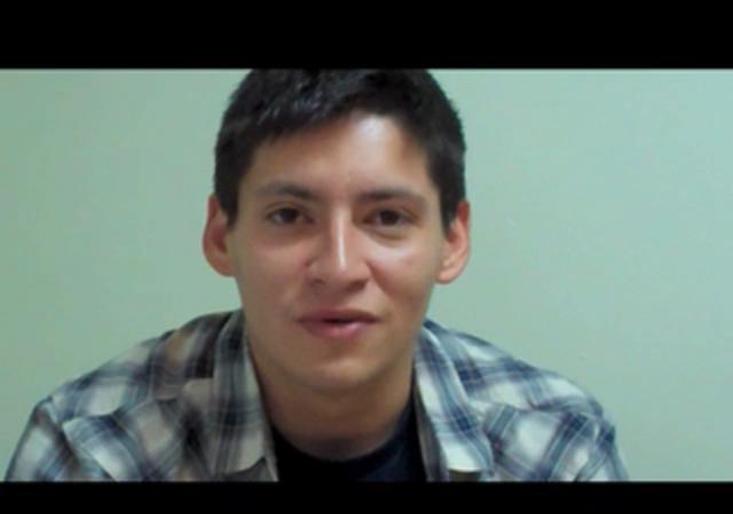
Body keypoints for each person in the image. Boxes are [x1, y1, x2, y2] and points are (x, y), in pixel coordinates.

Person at [5, 70, 628, 482]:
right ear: (221, 236)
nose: (338, 268)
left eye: (387, 217)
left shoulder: (555, 443)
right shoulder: (93, 450)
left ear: (452, 240)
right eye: (288, 216)